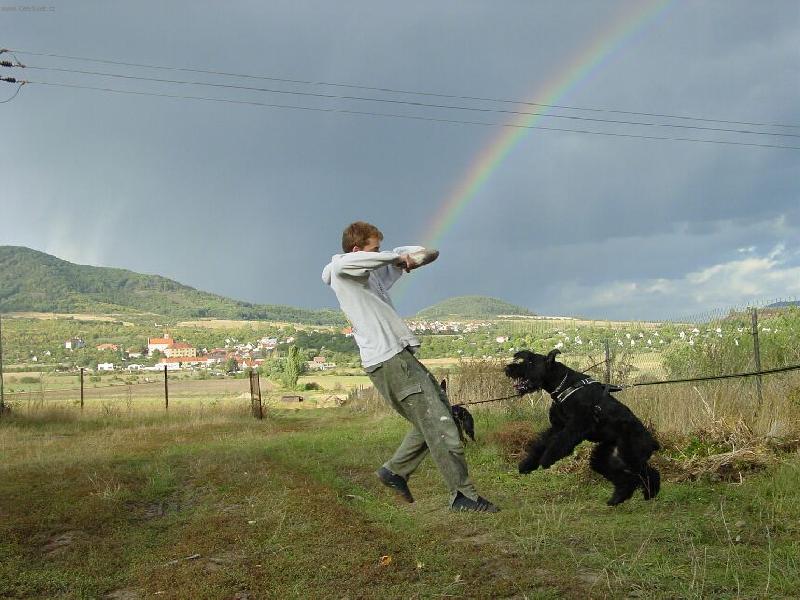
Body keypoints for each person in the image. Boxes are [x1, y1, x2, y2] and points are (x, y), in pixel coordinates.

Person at [322, 221, 498, 512]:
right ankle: (463, 496)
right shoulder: (341, 271)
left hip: (398, 356)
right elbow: (348, 264)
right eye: (374, 249)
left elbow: (428, 252)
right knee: (439, 422)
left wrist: (406, 258)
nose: (380, 254)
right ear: (356, 250)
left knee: (441, 415)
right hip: (388, 360)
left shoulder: (370, 276)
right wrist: (394, 257)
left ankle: (395, 471)